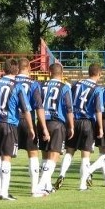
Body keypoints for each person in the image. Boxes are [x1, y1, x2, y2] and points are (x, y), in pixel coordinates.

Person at [0, 58, 35, 200]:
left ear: (4, 69)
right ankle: (4, 192)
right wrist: (30, 127)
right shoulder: (17, 86)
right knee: (6, 156)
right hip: (7, 123)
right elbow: (26, 110)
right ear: (16, 70)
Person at [54, 63, 104, 191]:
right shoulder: (97, 89)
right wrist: (100, 127)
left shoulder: (76, 84)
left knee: (69, 151)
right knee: (85, 154)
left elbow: (68, 101)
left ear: (88, 72)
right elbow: (98, 110)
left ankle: (61, 174)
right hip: (87, 122)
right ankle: (82, 184)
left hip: (74, 121)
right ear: (98, 74)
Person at [33, 62, 74, 196]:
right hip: (57, 123)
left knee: (45, 155)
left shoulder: (40, 85)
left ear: (49, 73)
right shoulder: (64, 87)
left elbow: (37, 104)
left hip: (42, 122)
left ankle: (47, 185)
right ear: (62, 74)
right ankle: (39, 186)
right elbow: (68, 108)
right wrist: (71, 126)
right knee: (54, 156)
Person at [15, 58, 50, 195]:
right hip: (27, 121)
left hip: (10, 121)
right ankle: (34, 188)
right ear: (29, 67)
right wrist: (44, 127)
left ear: (17, 67)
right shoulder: (34, 84)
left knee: (3, 154)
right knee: (33, 153)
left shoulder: (11, 81)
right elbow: (39, 107)